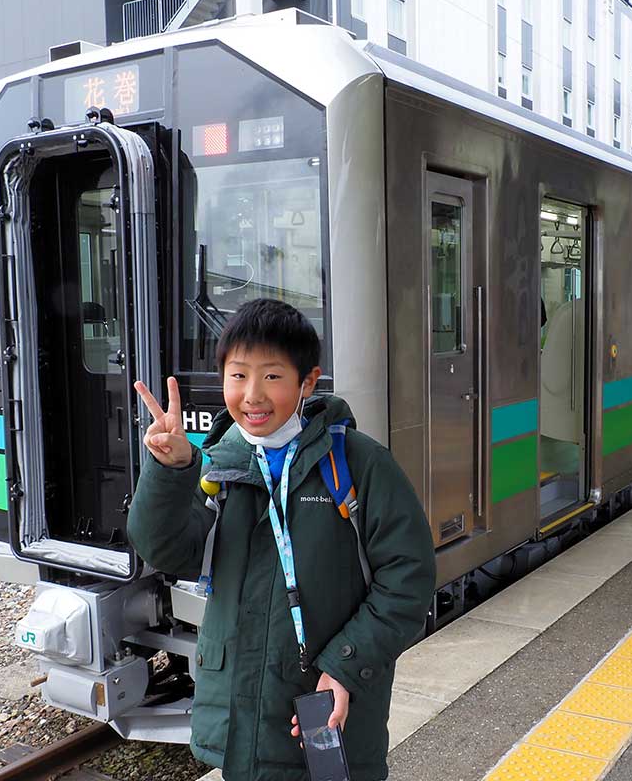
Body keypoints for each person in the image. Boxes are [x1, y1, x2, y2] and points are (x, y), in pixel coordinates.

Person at [127, 298, 436, 781]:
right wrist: (171, 470)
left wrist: (346, 666)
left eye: (272, 376)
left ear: (307, 382)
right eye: (238, 375)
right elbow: (165, 551)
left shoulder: (359, 464)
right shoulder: (218, 465)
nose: (252, 395)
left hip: (329, 701)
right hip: (239, 717)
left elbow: (409, 579)